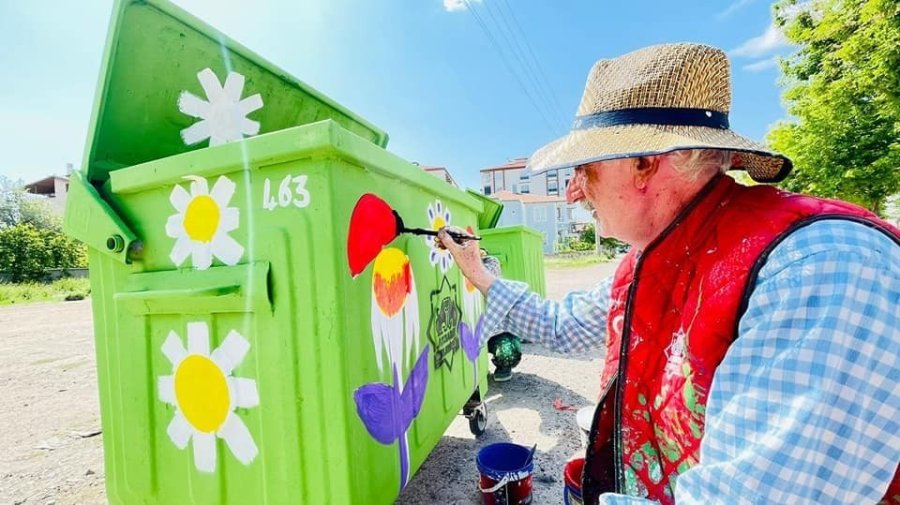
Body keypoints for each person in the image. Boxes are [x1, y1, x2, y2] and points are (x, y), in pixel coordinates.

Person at [438, 43, 899, 505]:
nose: (574, 192)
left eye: (584, 169)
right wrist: (475, 269)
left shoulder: (820, 266)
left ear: (644, 163)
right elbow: (562, 325)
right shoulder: (653, 259)